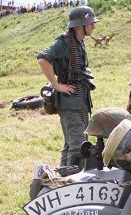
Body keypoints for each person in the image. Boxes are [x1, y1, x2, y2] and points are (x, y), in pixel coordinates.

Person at [37, 6, 99, 168]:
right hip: (70, 103)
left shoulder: (78, 42)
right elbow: (43, 59)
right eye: (90, 23)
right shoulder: (64, 42)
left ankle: (62, 178)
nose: (93, 26)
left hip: (79, 101)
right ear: (80, 25)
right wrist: (57, 85)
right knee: (79, 147)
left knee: (70, 145)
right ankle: (73, 183)